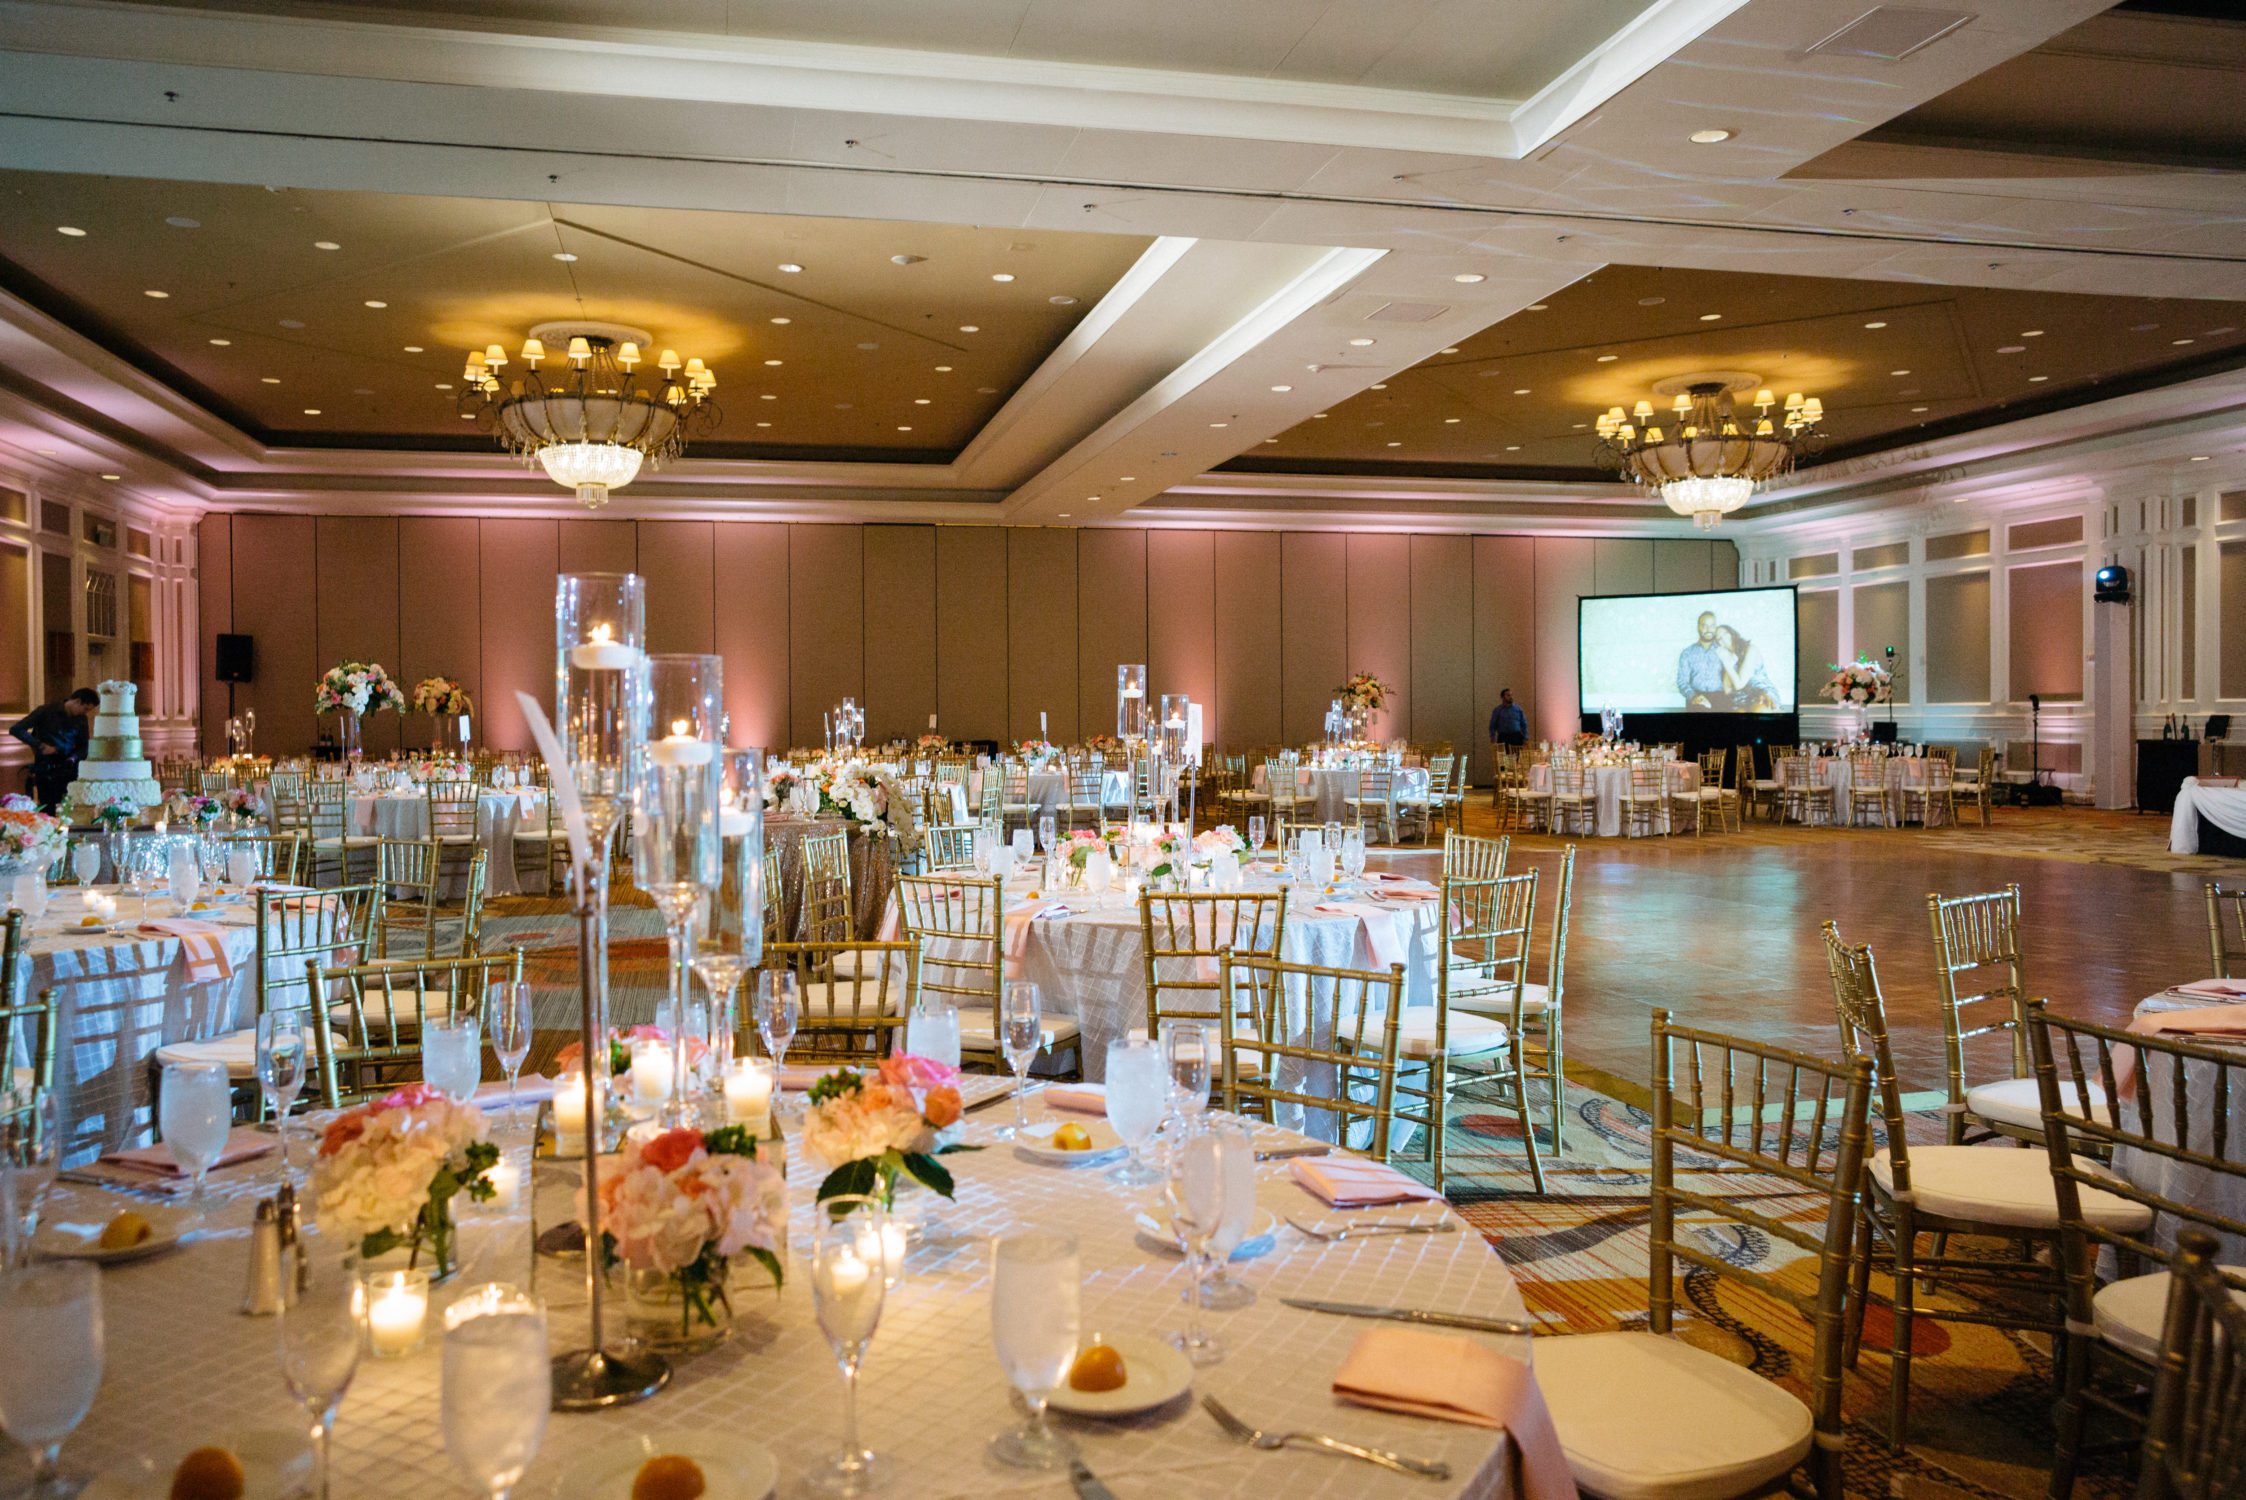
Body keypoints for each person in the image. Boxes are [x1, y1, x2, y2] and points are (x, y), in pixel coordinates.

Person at [9, 687, 97, 812]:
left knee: (68, 812)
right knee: (48, 809)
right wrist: (39, 745)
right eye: (86, 709)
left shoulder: (81, 719)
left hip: (69, 771)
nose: (85, 713)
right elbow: (16, 729)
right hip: (46, 770)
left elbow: (84, 745)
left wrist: (73, 757)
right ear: (78, 701)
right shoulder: (45, 711)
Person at [1676, 611, 1734, 711]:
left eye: (1712, 626)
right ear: (1698, 627)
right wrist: (1694, 697)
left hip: (1720, 697)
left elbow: (1733, 677)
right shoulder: (1687, 653)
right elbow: (1682, 682)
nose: (1708, 629)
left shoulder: (1724, 650)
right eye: (1704, 625)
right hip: (1697, 697)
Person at [1715, 625, 1779, 713]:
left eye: (1725, 633)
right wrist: (1726, 661)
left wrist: (1727, 664)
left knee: (1758, 711)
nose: (1723, 638)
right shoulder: (1727, 657)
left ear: (1732, 633)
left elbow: (1739, 684)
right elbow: (1727, 690)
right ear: (1719, 644)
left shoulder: (1751, 649)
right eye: (1719, 638)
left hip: (1761, 691)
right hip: (1742, 696)